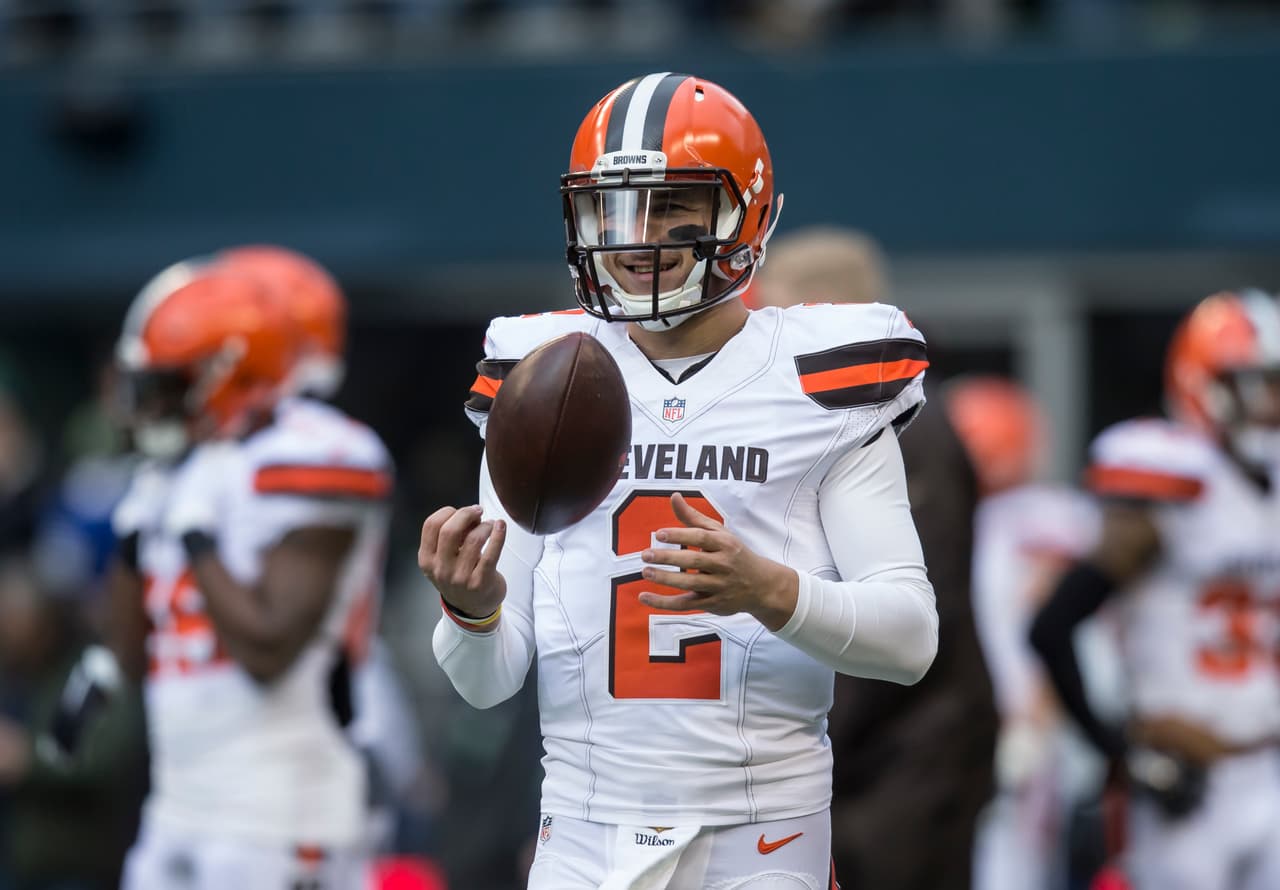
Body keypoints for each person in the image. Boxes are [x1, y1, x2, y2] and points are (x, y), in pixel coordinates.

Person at [418, 72, 939, 890]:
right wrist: (473, 609)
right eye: (615, 208)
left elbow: (910, 640)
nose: (637, 237)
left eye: (672, 208)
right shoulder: (541, 380)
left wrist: (766, 588)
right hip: (581, 836)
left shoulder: (817, 378)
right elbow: (488, 683)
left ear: (746, 214)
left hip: (763, 839)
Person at [107, 262, 393, 889]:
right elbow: (131, 658)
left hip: (277, 815)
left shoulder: (315, 455)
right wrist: (134, 541)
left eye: (168, 385)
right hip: (177, 808)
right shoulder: (181, 474)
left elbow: (266, 650)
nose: (150, 408)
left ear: (220, 377)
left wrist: (194, 535)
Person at [755, 224, 998, 890]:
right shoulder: (854, 421)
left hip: (913, 751)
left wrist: (803, 727)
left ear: (820, 309)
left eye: (774, 313)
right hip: (888, 746)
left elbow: (914, 602)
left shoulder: (900, 426)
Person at [1029, 289, 1280, 890]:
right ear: (1207, 386)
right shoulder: (1169, 482)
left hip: (1268, 762)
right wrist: (1116, 749)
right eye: (1260, 385)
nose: (1271, 405)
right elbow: (1052, 625)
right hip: (1185, 774)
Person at [946, 376, 1102, 890]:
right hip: (989, 720)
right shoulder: (980, 516)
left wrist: (1033, 723)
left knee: (1016, 863)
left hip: (1029, 726)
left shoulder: (1035, 517)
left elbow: (1049, 625)